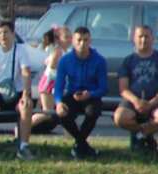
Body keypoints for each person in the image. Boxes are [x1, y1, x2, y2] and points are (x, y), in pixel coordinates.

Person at [0, 20, 35, 160]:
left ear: (13, 34)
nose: (3, 36)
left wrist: (26, 94)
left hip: (18, 93)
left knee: (26, 107)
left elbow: (26, 73)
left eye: (6, 32)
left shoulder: (21, 51)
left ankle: (23, 146)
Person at [54, 27, 107, 160]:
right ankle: (82, 145)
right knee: (62, 113)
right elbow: (58, 86)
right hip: (72, 94)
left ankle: (79, 145)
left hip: (91, 96)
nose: (82, 44)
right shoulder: (65, 60)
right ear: (73, 41)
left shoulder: (99, 60)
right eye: (79, 40)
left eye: (85, 40)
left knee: (93, 112)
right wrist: (59, 102)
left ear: (90, 41)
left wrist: (90, 94)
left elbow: (103, 88)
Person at [113, 25, 158, 153]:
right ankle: (144, 134)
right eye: (140, 36)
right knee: (120, 117)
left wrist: (151, 103)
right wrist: (136, 101)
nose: (143, 40)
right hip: (133, 101)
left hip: (154, 101)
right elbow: (123, 89)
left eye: (146, 36)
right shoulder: (128, 61)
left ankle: (141, 137)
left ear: (152, 38)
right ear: (134, 38)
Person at [32, 25, 71, 132]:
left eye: (70, 37)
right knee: (47, 113)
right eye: (66, 37)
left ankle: (69, 134)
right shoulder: (57, 51)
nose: (69, 40)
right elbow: (53, 67)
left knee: (61, 110)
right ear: (58, 39)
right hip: (49, 84)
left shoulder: (65, 51)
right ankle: (22, 127)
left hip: (54, 84)